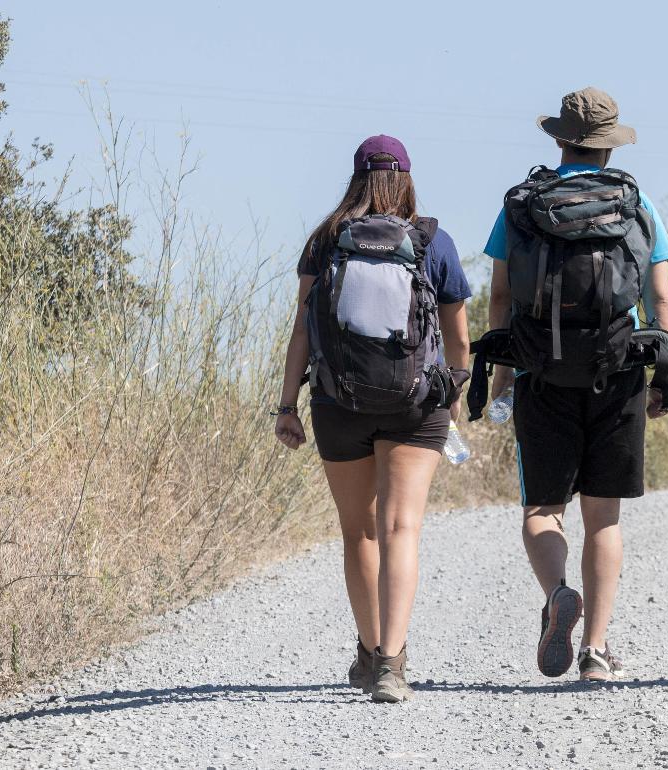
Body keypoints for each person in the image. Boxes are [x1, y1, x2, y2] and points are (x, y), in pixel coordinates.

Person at [482, 87, 668, 682]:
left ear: (559, 140)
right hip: (617, 374)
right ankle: (595, 651)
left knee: (543, 509)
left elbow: (499, 296)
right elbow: (660, 296)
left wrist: (503, 378)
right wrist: (664, 374)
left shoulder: (521, 206)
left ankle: (558, 593)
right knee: (605, 519)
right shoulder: (636, 203)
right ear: (609, 147)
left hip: (542, 373)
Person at [274, 135, 471, 703]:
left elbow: (302, 331)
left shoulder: (326, 241)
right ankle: (391, 661)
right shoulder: (434, 242)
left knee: (359, 529)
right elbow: (458, 338)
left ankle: (368, 650)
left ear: (355, 178)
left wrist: (288, 406)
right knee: (401, 527)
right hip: (416, 405)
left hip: (339, 403)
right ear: (406, 178)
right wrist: (452, 396)